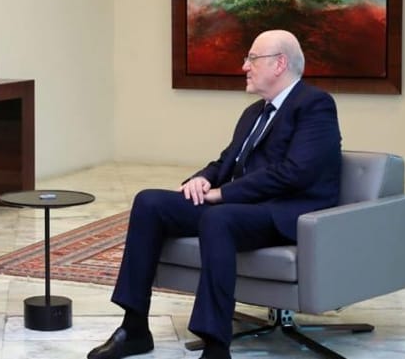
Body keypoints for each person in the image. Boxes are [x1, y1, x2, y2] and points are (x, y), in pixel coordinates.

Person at [87, 30, 342, 359]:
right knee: (150, 202)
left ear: (280, 64)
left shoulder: (315, 105)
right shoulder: (254, 112)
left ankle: (216, 345)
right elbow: (227, 161)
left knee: (218, 217)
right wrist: (202, 180)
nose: (244, 66)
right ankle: (134, 327)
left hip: (285, 212)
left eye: (252, 58)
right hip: (243, 207)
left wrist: (223, 194)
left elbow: (294, 172)